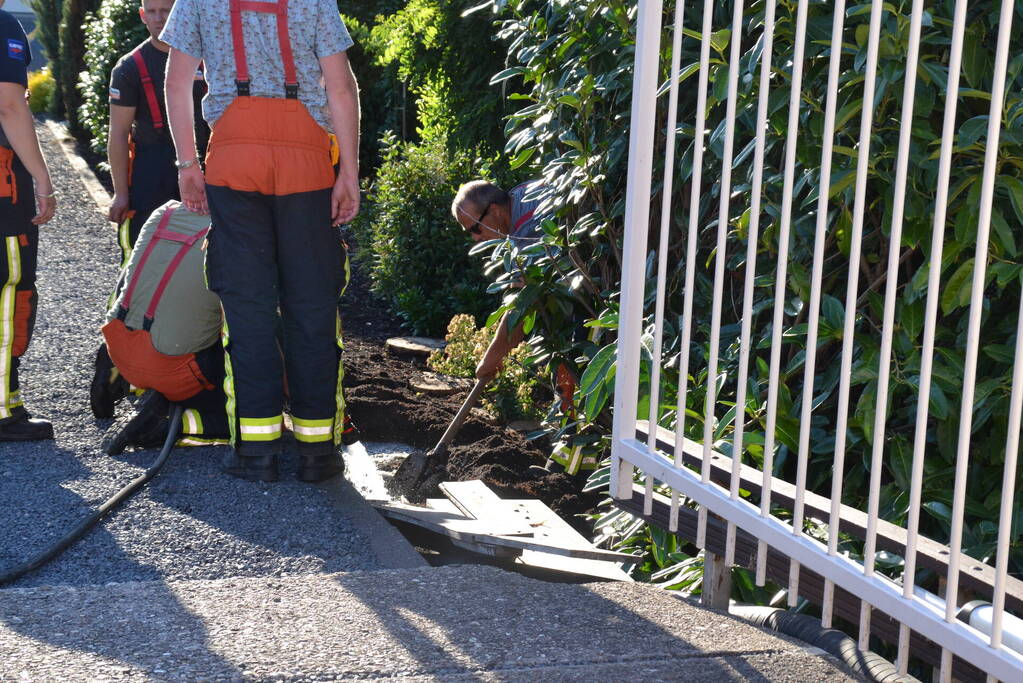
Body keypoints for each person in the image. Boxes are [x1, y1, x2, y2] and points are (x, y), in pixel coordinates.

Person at [161, 0, 360, 482]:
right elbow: (341, 84)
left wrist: (187, 164)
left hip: (233, 159)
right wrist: (349, 172)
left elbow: (177, 81)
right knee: (311, 306)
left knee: (247, 308)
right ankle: (318, 453)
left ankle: (256, 451)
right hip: (307, 160)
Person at [451, 179, 599, 477]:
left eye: (475, 229)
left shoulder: (528, 235)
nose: (476, 240)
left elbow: (523, 307)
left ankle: (570, 473)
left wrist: (491, 359)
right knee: (568, 372)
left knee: (575, 372)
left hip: (597, 299)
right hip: (580, 293)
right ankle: (578, 460)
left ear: (493, 210)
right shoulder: (520, 197)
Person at [100, 200, 230, 454]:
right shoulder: (240, 231)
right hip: (173, 368)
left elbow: (124, 283)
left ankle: (109, 370)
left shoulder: (164, 211)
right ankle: (168, 422)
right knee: (254, 417)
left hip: (119, 347)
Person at [106, 0, 209, 266]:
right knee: (139, 258)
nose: (159, 18)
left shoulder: (208, 59)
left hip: (206, 166)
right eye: (151, 12)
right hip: (149, 173)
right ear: (142, 15)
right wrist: (120, 192)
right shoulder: (129, 67)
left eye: (165, 11)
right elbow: (118, 133)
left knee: (204, 258)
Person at [0, 1, 57, 441]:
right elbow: (9, 107)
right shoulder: (3, 24)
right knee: (8, 289)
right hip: (3, 191)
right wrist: (41, 176)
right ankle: (3, 410)